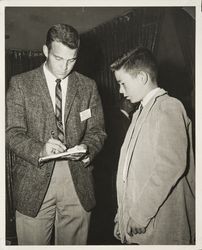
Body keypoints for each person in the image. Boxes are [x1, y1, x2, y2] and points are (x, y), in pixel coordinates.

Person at [6, 23, 107, 245]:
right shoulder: (21, 85)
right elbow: (12, 133)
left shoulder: (88, 86)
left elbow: (97, 130)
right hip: (34, 178)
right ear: (46, 51)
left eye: (72, 60)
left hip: (77, 179)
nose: (65, 67)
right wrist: (39, 149)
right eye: (59, 58)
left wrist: (87, 148)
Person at [110, 47, 195, 245]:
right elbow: (128, 173)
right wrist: (122, 218)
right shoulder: (140, 112)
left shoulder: (169, 107)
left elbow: (170, 166)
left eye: (122, 83)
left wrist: (139, 214)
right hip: (143, 222)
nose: (121, 91)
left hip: (161, 223)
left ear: (141, 77)